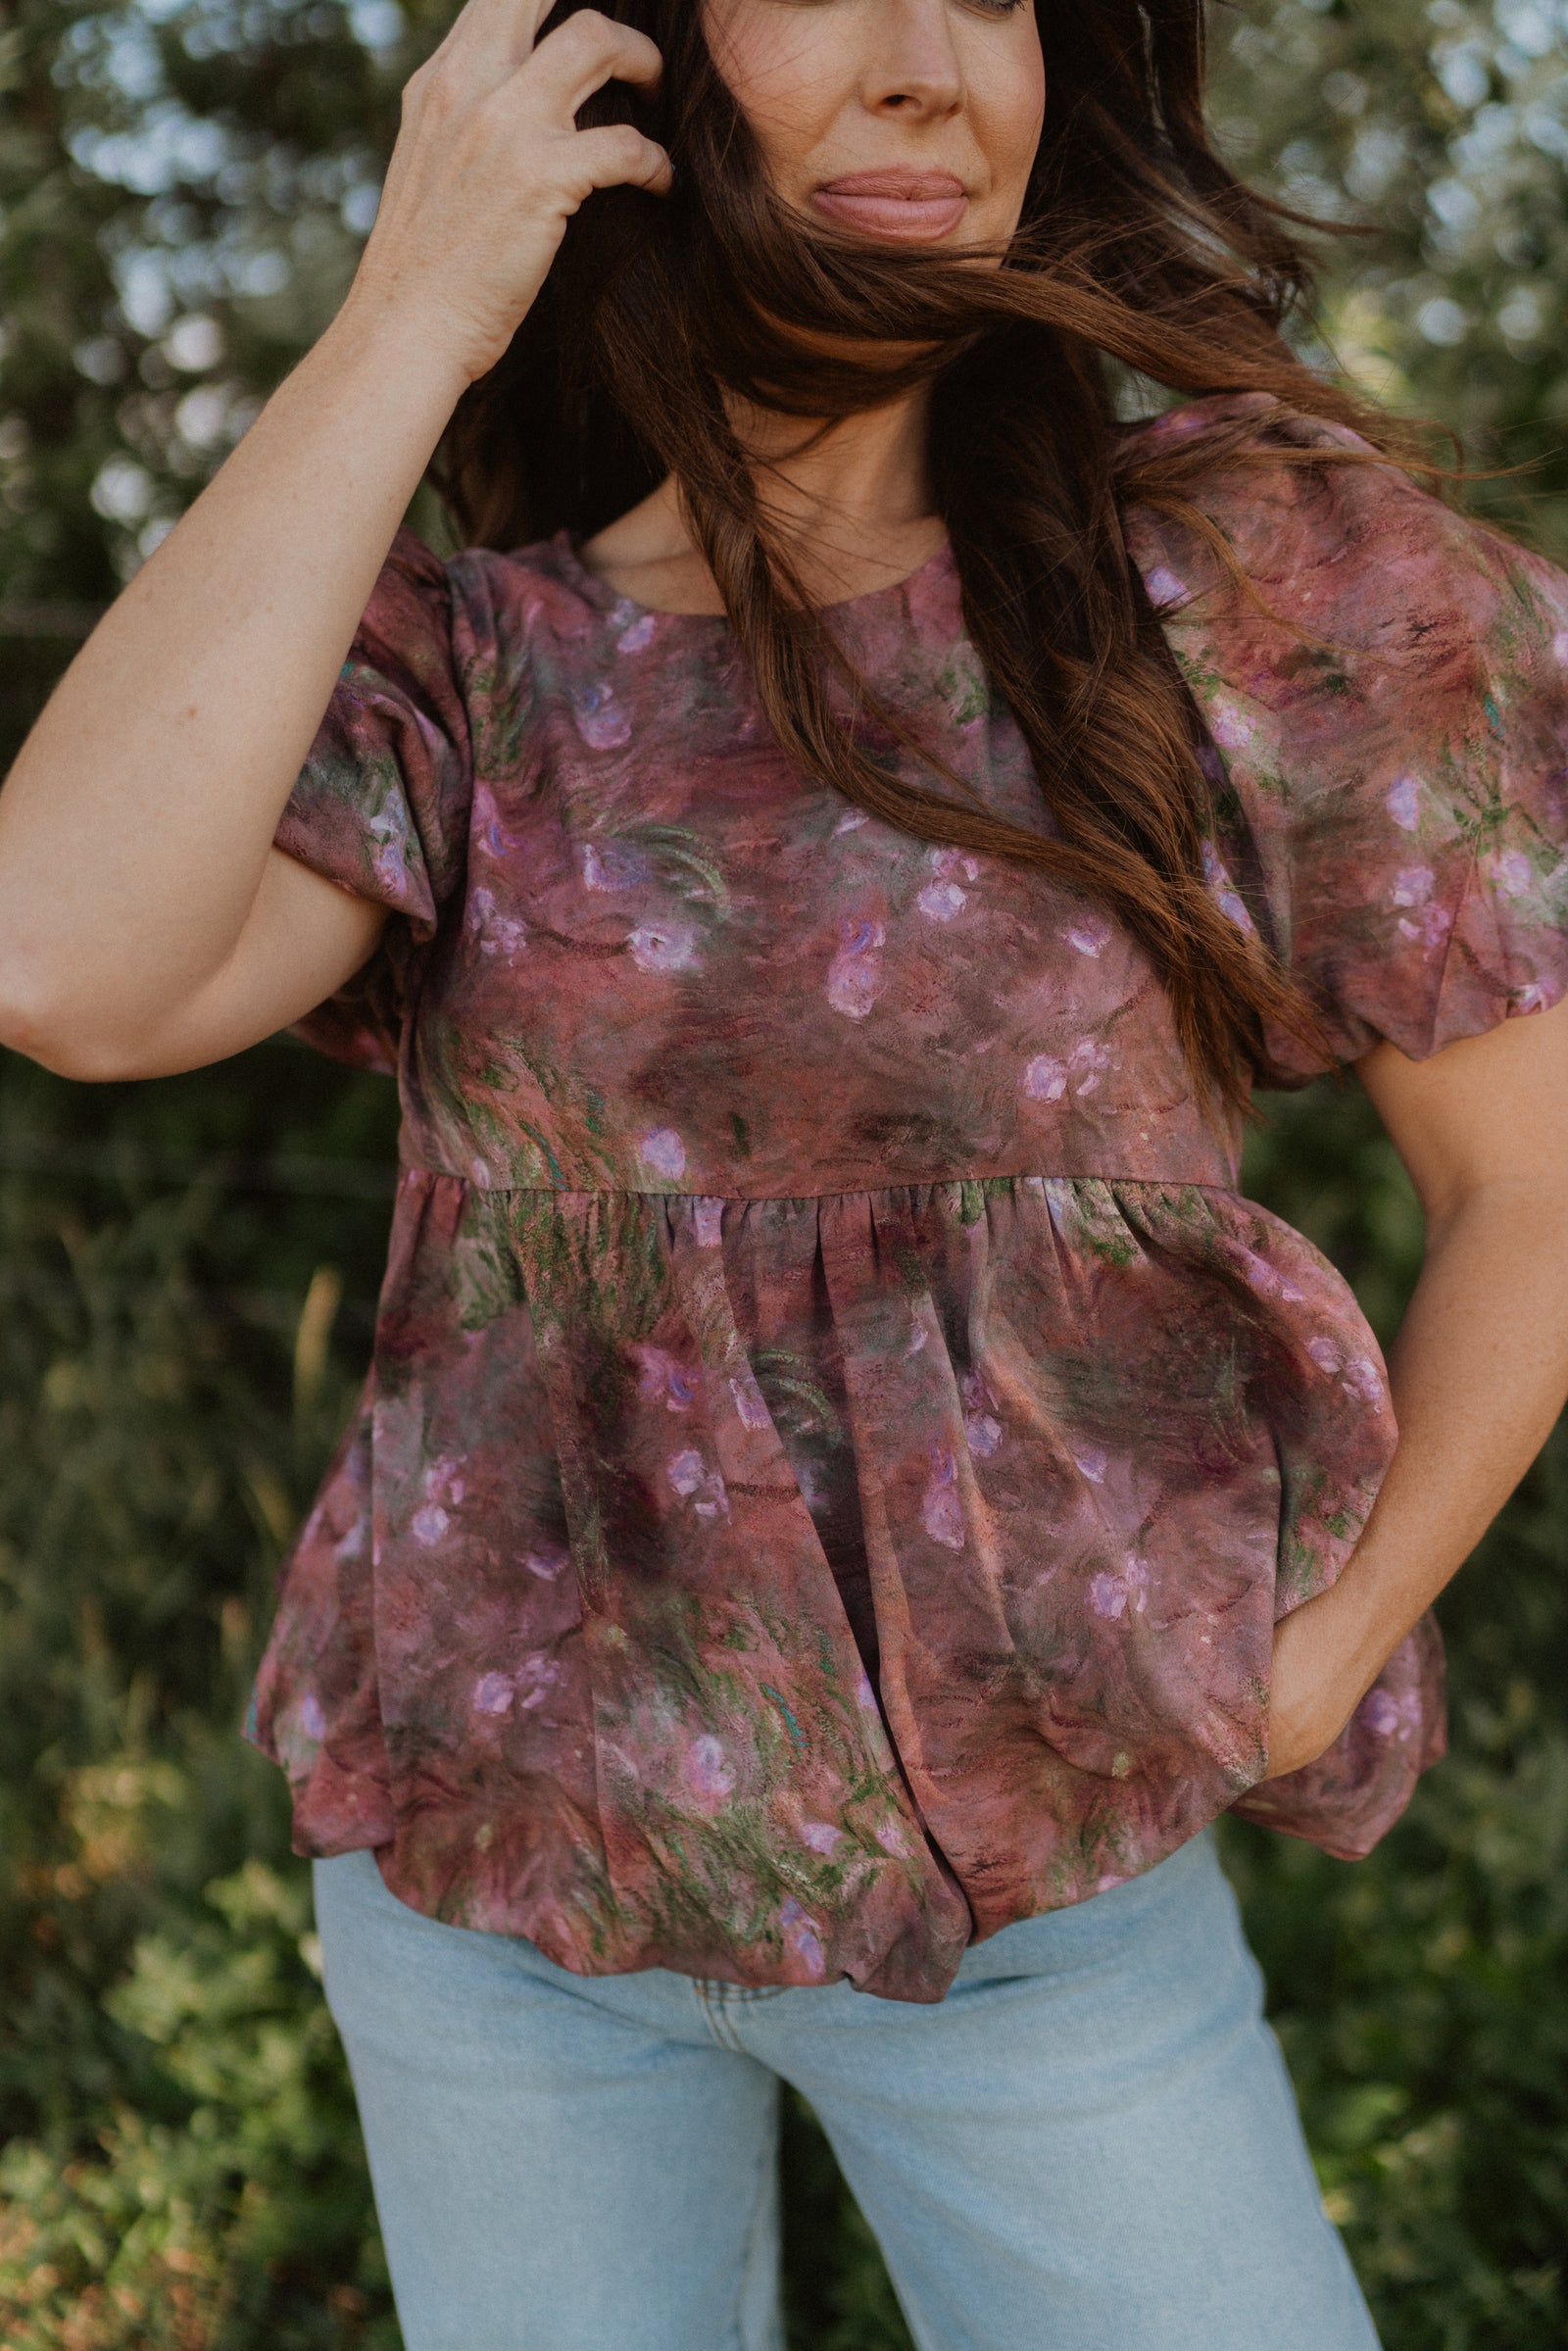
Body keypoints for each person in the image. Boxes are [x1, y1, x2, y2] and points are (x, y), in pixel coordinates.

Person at [3, 0, 1568, 2342]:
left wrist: (1316, 1656)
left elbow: (1533, 1188)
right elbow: (58, 958)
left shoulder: (1236, 589)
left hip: (1037, 1907)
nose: (935, 61)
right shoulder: (478, 670)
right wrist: (412, 309)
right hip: (490, 1899)